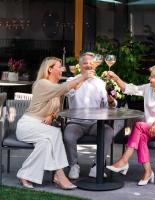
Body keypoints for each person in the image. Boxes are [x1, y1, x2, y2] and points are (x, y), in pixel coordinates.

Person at [16, 57, 94, 189]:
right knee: (55, 132)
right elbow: (65, 87)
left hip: (41, 128)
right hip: (28, 125)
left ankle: (24, 175)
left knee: (45, 144)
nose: (62, 69)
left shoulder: (56, 89)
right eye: (59, 66)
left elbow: (57, 111)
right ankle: (59, 174)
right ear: (50, 69)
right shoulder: (41, 84)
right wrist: (82, 76)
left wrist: (51, 116)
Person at [106, 64, 155, 186]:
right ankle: (148, 171)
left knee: (138, 125)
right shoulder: (148, 88)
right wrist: (116, 78)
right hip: (147, 129)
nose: (149, 79)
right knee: (141, 137)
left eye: (152, 77)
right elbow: (128, 88)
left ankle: (124, 160)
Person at [64, 52, 117, 180]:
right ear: (80, 65)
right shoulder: (71, 80)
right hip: (76, 122)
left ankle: (96, 167)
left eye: (91, 63)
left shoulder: (100, 83)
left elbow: (109, 105)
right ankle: (74, 165)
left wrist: (111, 101)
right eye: (85, 63)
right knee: (68, 135)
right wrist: (83, 78)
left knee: (108, 132)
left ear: (95, 66)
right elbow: (69, 93)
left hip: (95, 123)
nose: (88, 66)